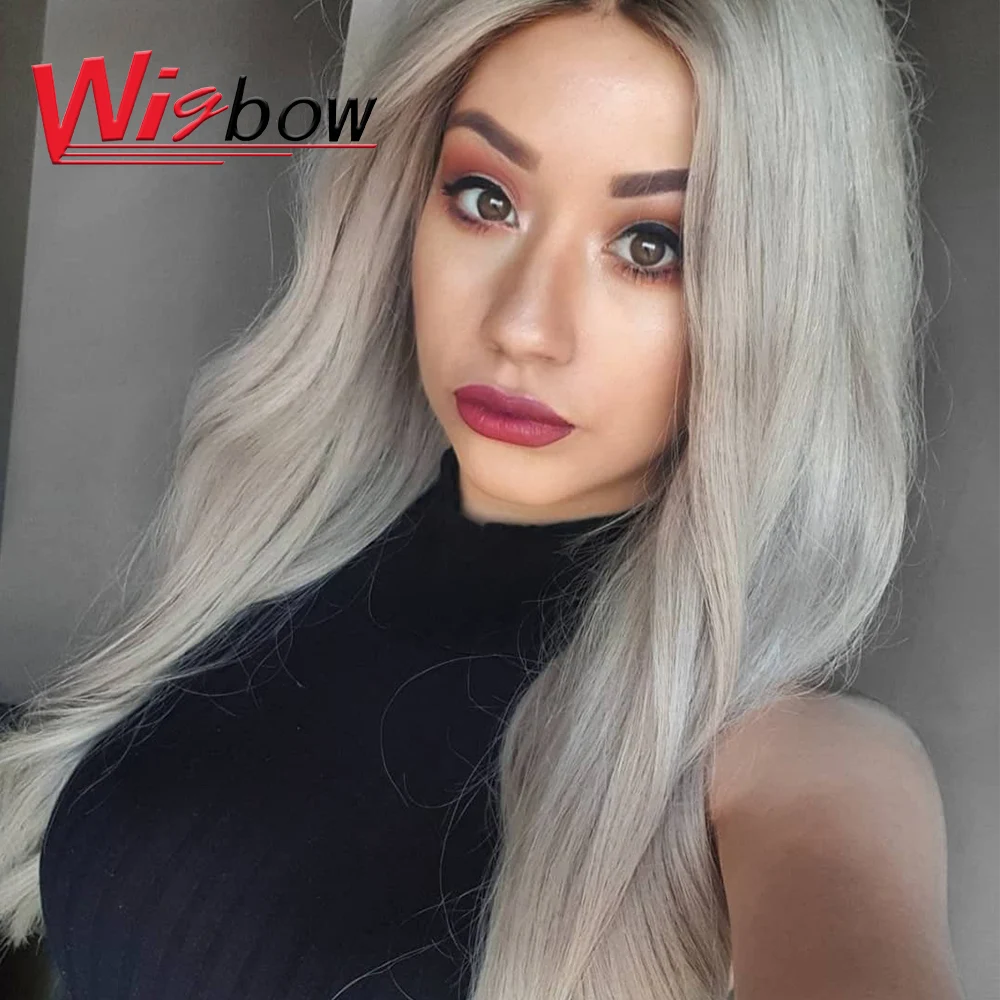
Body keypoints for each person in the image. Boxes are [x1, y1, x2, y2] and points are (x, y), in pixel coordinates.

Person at [0, 1, 965, 998]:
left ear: (783, 300)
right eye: (486, 198)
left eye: (650, 246)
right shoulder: (272, 552)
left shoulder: (786, 760)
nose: (523, 326)